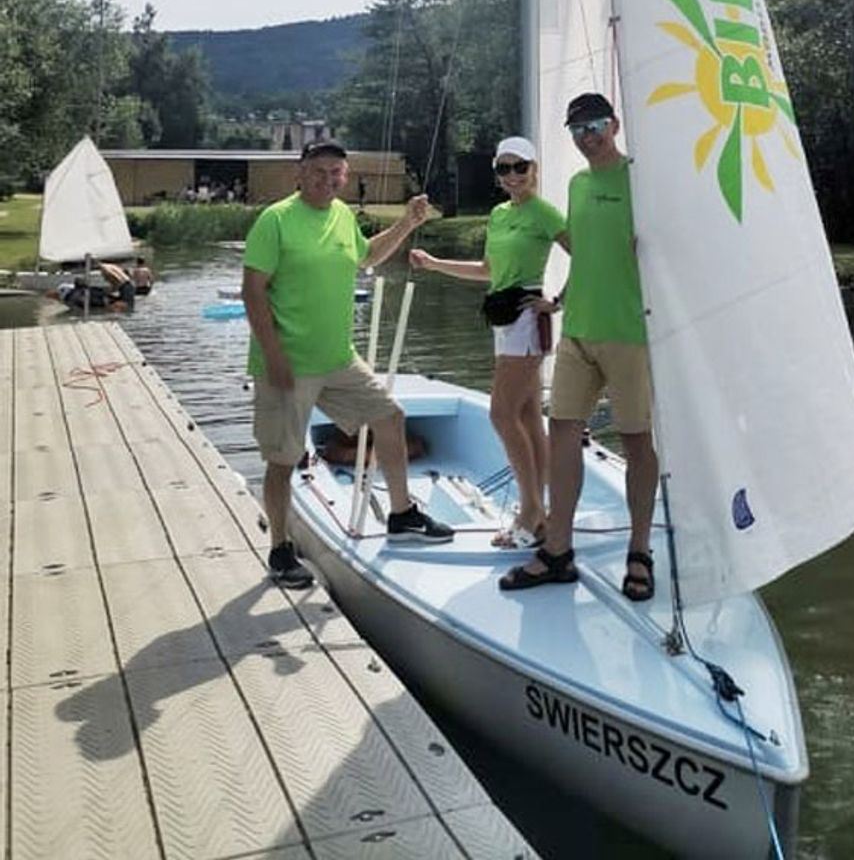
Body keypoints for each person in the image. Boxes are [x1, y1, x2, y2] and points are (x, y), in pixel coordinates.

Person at [242, 138, 454, 589]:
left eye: (337, 173)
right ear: (300, 174)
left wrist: (406, 222)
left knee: (390, 417)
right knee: (283, 460)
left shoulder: (340, 216)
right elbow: (252, 291)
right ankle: (280, 550)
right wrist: (274, 356)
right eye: (319, 172)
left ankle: (401, 514)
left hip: (338, 359)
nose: (328, 181)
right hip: (287, 363)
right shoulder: (275, 220)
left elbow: (367, 257)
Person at [500, 93, 658, 601]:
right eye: (577, 130)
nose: (586, 136)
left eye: (594, 126)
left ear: (613, 124)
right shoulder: (577, 182)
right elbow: (586, 254)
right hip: (577, 333)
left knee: (636, 442)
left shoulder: (643, 179)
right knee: (562, 429)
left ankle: (639, 551)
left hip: (629, 334)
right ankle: (558, 550)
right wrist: (558, 301)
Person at [410, 137, 567, 548]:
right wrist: (434, 264)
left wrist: (557, 302)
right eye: (505, 168)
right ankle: (543, 512)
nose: (513, 176)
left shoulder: (544, 213)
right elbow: (488, 270)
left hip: (526, 321)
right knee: (529, 416)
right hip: (502, 320)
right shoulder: (499, 215)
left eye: (521, 167)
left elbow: (586, 254)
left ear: (535, 168)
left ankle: (531, 511)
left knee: (501, 414)